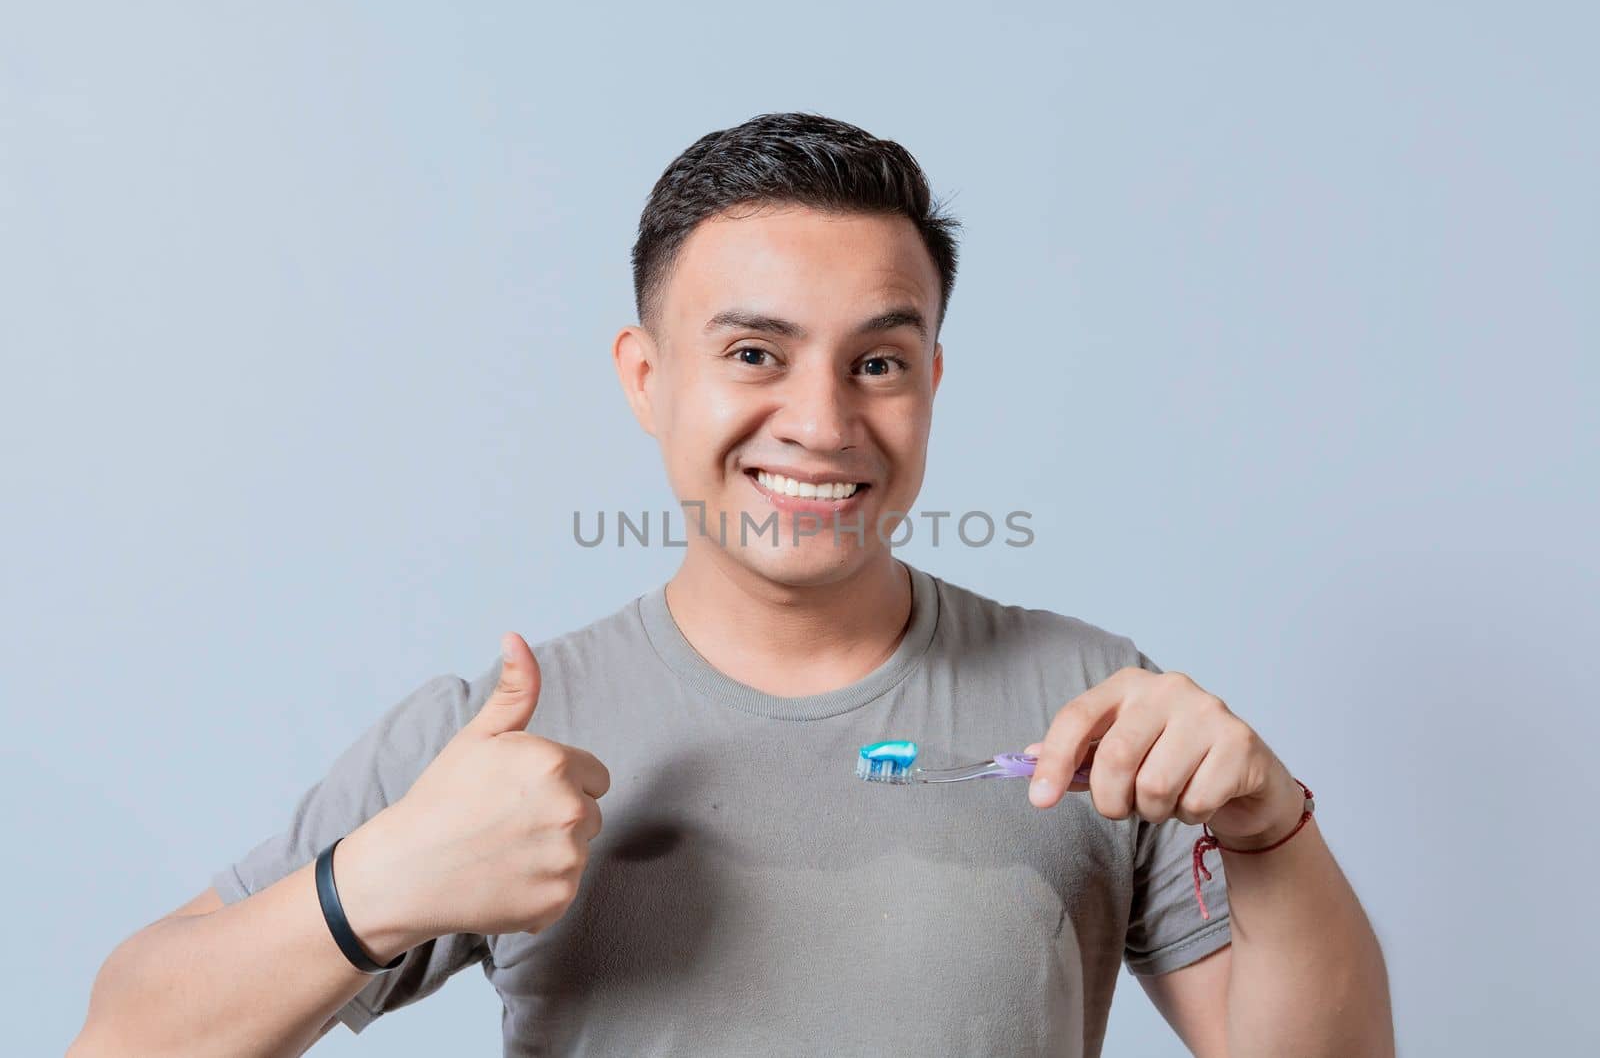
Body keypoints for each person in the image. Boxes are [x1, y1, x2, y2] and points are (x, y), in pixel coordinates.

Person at [70, 111, 1393, 1057]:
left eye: (879, 362)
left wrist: (1271, 827)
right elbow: (122, 1041)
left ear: (932, 383)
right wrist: (379, 884)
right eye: (755, 352)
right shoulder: (504, 737)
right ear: (647, 378)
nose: (820, 422)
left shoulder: (1095, 709)